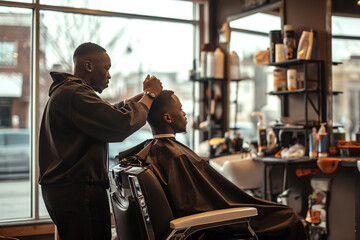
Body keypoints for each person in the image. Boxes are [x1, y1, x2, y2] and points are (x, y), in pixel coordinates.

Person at [117, 90, 308, 240]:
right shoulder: (174, 155)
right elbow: (195, 207)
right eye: (181, 109)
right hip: (206, 228)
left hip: (195, 223)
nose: (185, 114)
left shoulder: (157, 151)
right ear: (167, 118)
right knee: (288, 217)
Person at [38, 42, 162, 240]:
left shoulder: (66, 92)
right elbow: (119, 124)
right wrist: (150, 96)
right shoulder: (75, 93)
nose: (109, 75)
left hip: (64, 191)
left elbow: (106, 113)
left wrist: (139, 100)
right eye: (107, 68)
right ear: (88, 66)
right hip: (78, 193)